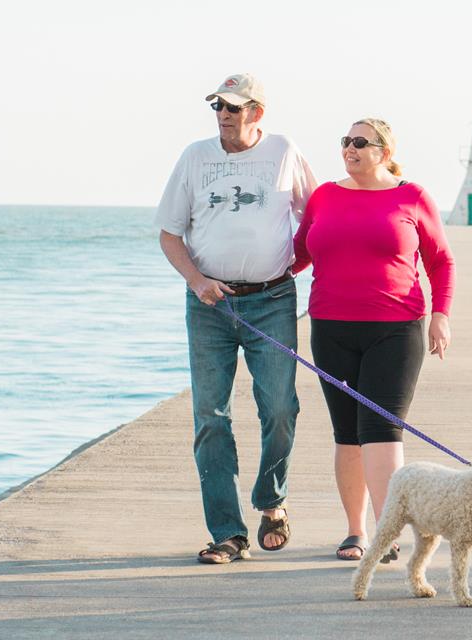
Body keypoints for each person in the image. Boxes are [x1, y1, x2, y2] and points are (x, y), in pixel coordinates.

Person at [157, 73, 317, 564]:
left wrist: (297, 266)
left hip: (271, 300)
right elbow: (169, 233)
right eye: (218, 106)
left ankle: (271, 501)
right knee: (211, 417)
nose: (224, 114)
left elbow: (315, 218)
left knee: (280, 409)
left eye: (234, 106)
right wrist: (196, 282)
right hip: (209, 304)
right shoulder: (194, 157)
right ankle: (227, 533)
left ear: (256, 113)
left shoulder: (284, 151)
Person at [290, 118, 455, 563]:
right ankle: (356, 532)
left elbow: (441, 261)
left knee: (380, 430)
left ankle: (388, 534)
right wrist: (247, 281)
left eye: (361, 142)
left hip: (395, 330)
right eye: (345, 140)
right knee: (346, 434)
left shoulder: (412, 196)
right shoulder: (325, 195)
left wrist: (440, 315)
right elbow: (299, 253)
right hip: (330, 327)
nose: (350, 148)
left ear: (384, 151)